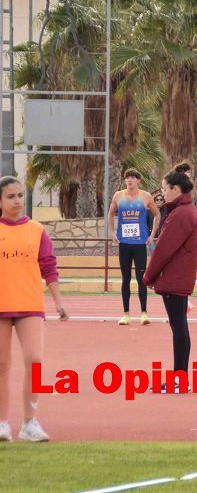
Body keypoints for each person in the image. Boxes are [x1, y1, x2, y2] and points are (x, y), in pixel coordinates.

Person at [0, 176, 68, 442]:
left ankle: (30, 423)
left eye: (20, 195)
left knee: (35, 361)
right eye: (11, 197)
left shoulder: (37, 230)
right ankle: (3, 423)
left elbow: (49, 267)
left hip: (29, 304)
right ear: (1, 202)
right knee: (1, 365)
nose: (17, 201)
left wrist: (58, 302)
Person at [142, 163, 197, 392]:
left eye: (164, 189)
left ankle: (180, 379)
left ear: (176, 189)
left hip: (175, 279)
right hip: (178, 278)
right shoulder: (183, 211)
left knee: (179, 328)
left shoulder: (181, 215)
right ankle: (180, 377)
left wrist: (148, 276)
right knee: (180, 327)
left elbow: (164, 249)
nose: (162, 193)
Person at [107, 169, 161, 326]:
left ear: (138, 181)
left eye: (133, 178)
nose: (130, 180)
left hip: (139, 243)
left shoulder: (146, 196)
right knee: (125, 279)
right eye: (127, 178)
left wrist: (152, 235)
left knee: (141, 279)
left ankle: (144, 313)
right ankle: (126, 314)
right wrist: (112, 232)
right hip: (124, 243)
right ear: (125, 181)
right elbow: (110, 214)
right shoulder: (118, 196)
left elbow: (158, 215)